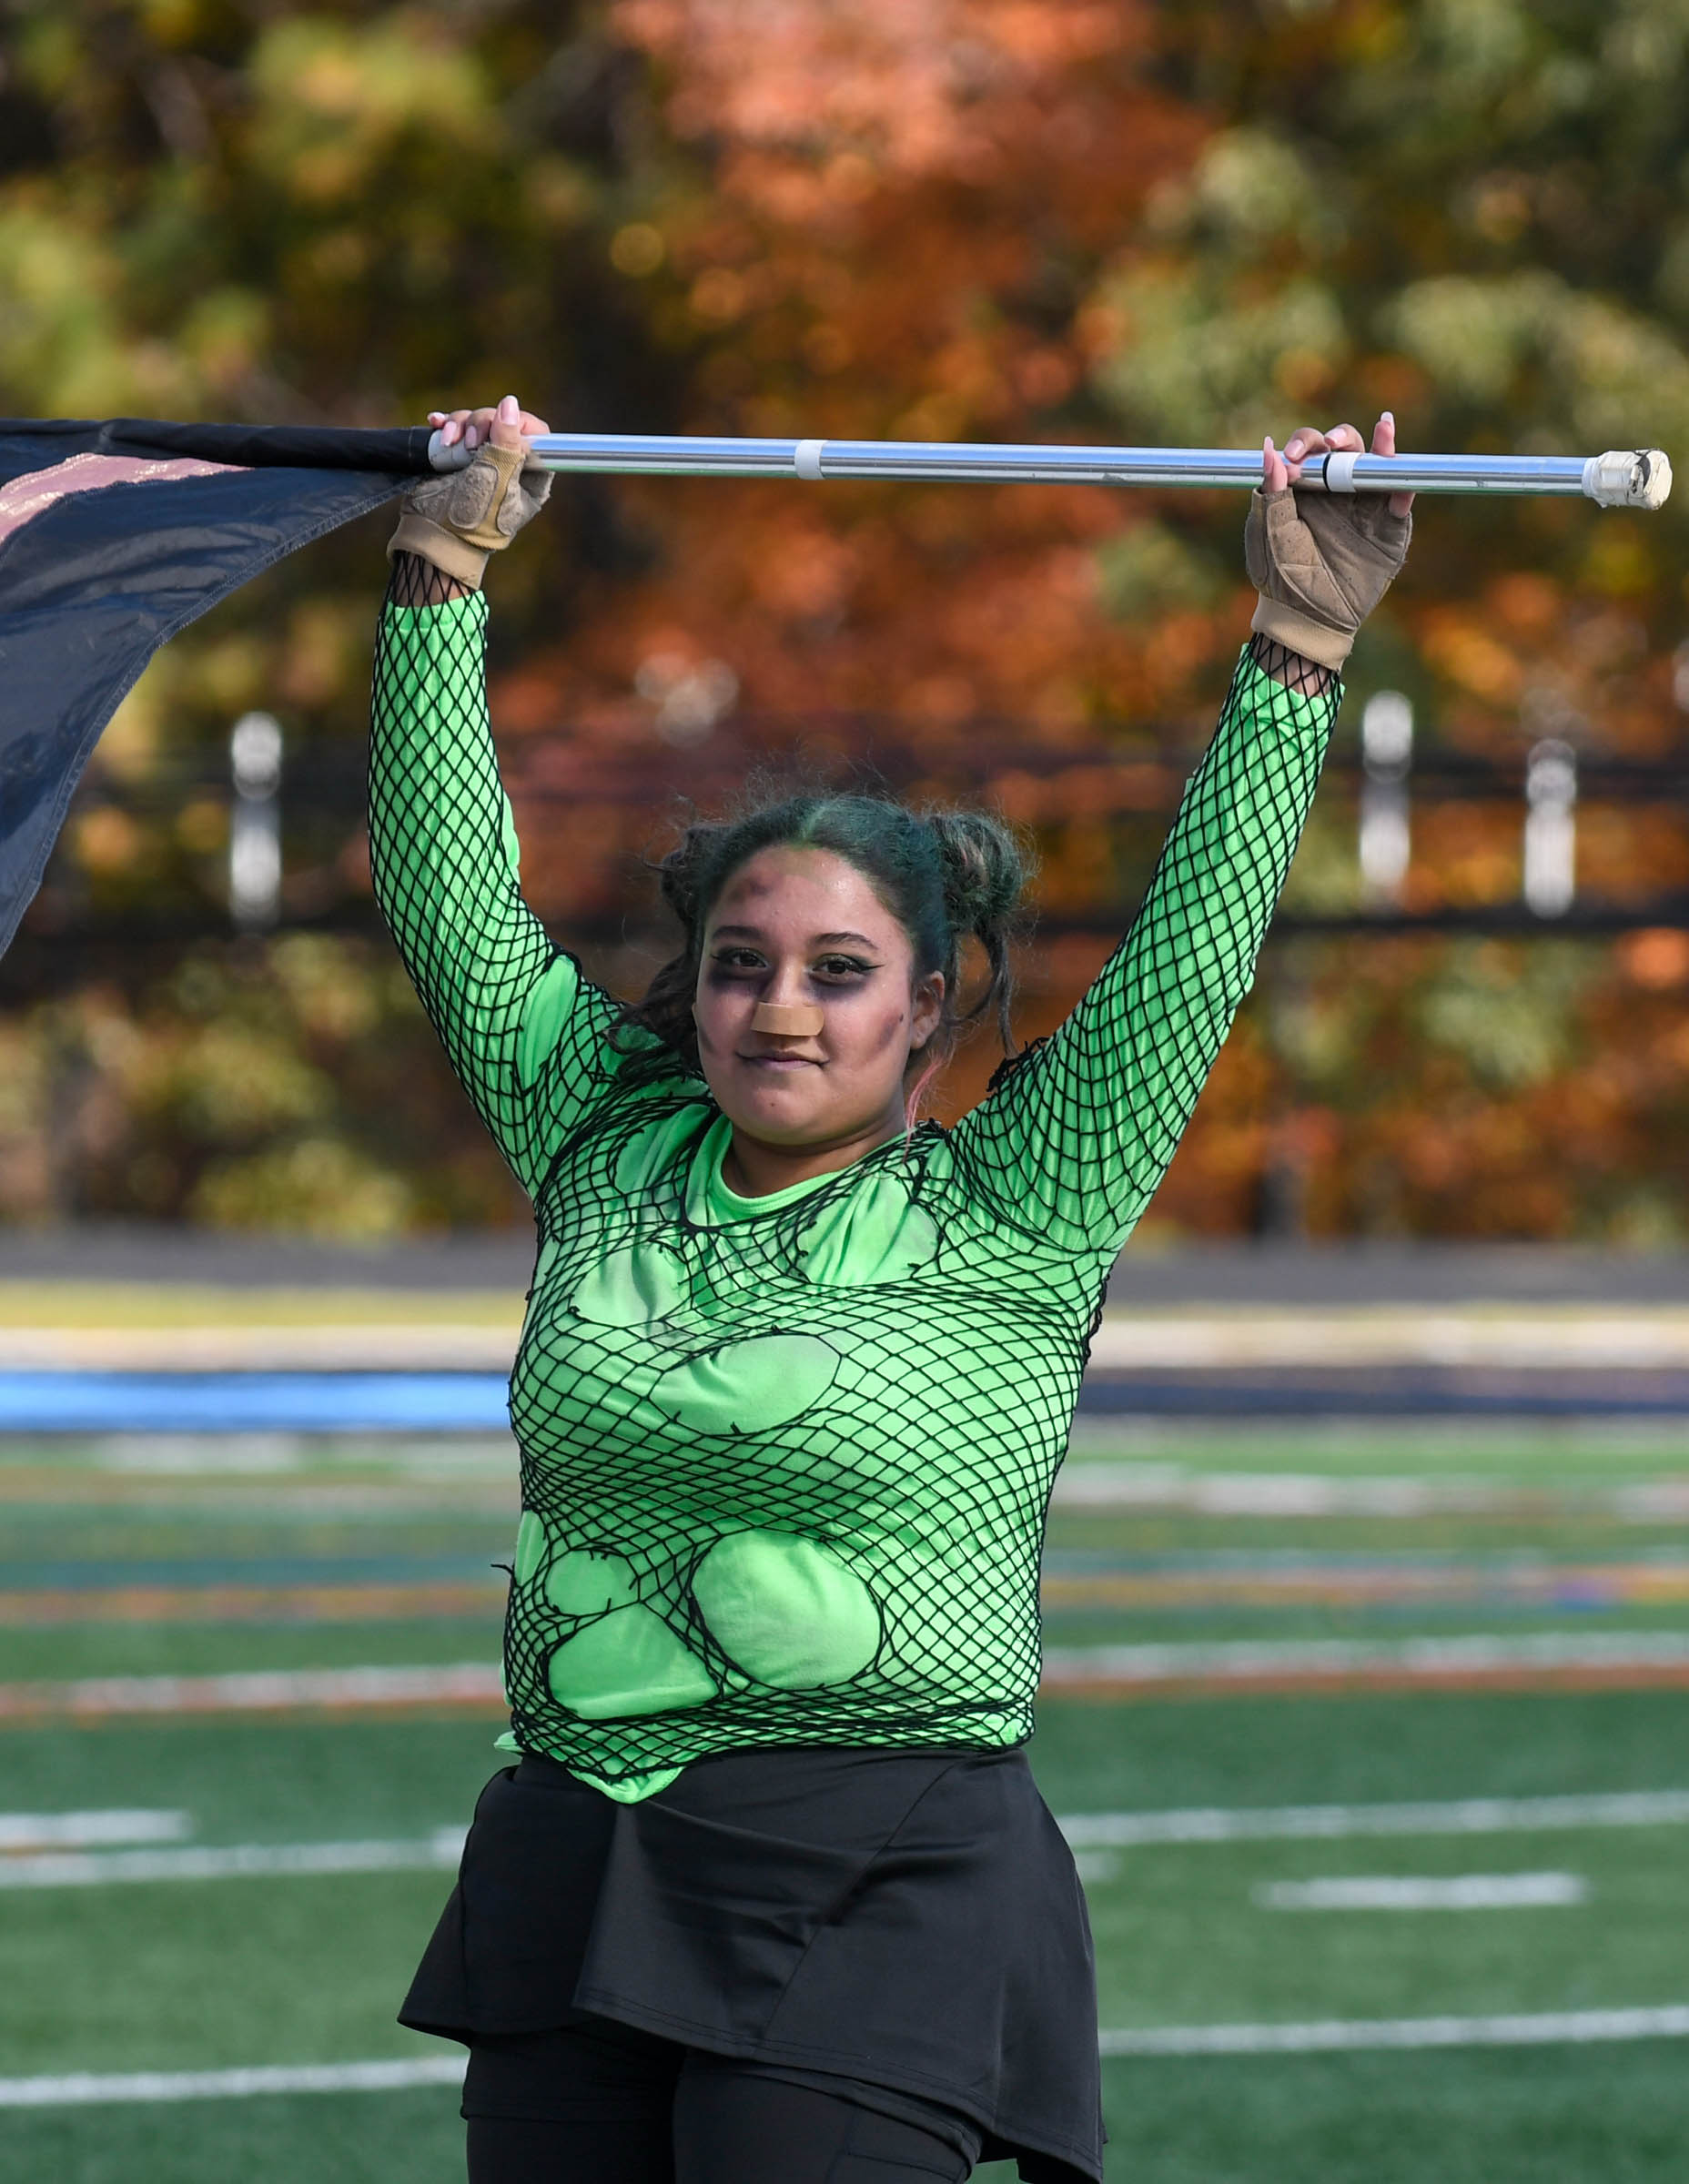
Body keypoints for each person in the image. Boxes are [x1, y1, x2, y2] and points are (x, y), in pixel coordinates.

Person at [371, 395, 1412, 2183]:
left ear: (926, 1004)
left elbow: (1190, 954)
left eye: (840, 972)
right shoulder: (603, 1137)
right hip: (575, 1861)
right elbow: (444, 893)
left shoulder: (1023, 1200)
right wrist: (438, 566)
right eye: (741, 965)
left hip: (875, 1873)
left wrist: (1298, 641)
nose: (779, 1008)